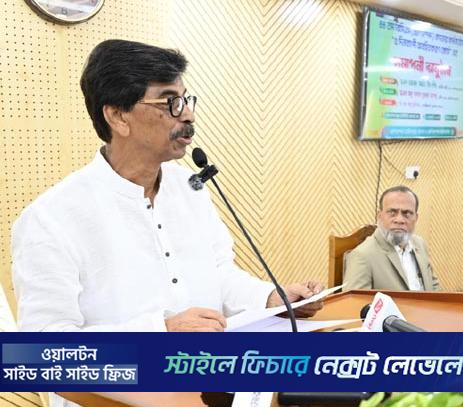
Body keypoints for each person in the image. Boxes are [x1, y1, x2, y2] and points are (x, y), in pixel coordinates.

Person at [11, 39, 323, 336]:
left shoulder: (189, 186)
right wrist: (160, 331)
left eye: (185, 99)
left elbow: (219, 273)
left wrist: (270, 298)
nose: (188, 114)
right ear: (118, 116)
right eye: (170, 102)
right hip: (126, 376)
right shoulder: (50, 218)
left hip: (207, 367)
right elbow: (45, 343)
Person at [343, 185, 440, 291]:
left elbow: (433, 286)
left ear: (416, 218)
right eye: (392, 213)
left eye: (407, 213)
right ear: (380, 216)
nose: (399, 220)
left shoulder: (420, 244)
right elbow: (354, 300)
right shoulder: (362, 256)